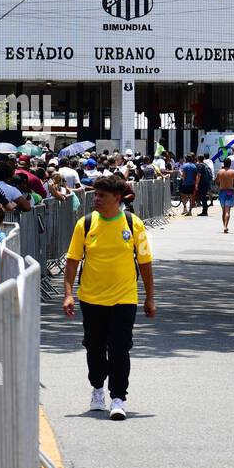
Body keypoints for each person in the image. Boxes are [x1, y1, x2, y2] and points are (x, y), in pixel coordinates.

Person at [62, 174, 155, 422]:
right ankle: (97, 388)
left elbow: (145, 263)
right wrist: (68, 294)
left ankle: (118, 398)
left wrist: (150, 298)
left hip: (124, 298)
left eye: (102, 196)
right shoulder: (86, 224)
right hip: (91, 298)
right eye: (95, 195)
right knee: (94, 347)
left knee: (119, 348)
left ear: (117, 198)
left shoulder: (133, 224)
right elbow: (72, 260)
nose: (96, 199)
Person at [216, 159, 234, 233]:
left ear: (224, 163)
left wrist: (220, 183)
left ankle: (224, 226)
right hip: (229, 191)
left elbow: (216, 181)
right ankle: (226, 226)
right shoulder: (233, 172)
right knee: (227, 211)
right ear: (230, 164)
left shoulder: (220, 172)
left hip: (222, 191)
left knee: (223, 211)